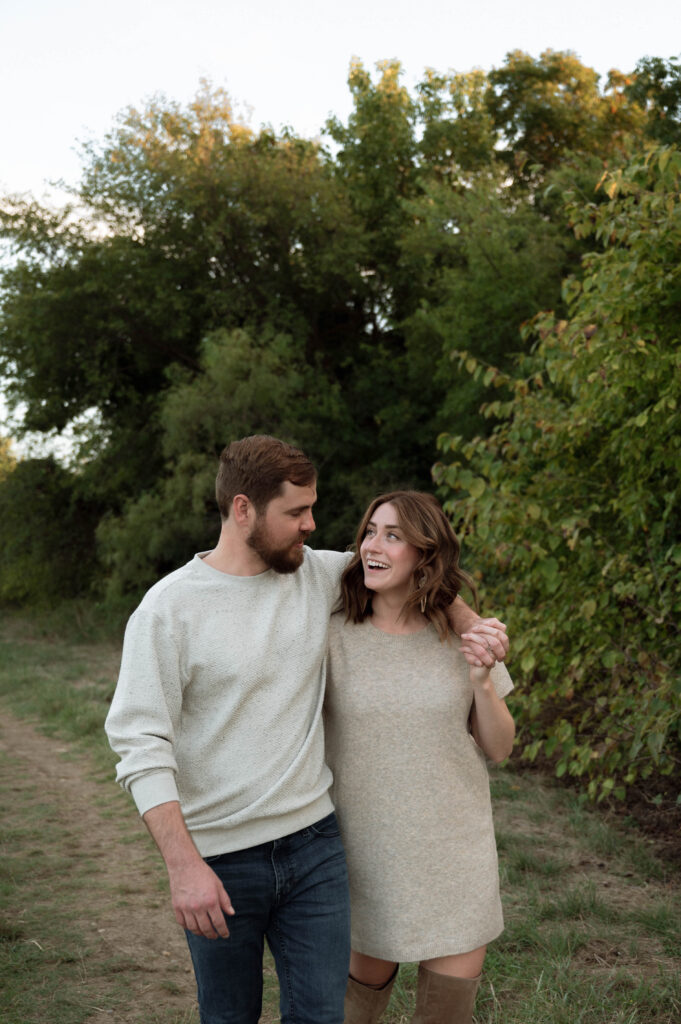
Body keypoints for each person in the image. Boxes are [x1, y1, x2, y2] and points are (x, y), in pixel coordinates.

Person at [105, 436, 509, 1024]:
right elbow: (140, 745)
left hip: (315, 845)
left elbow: (417, 572)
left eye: (311, 509)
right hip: (220, 855)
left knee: (323, 1017)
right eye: (296, 512)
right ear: (243, 510)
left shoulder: (315, 574)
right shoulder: (168, 609)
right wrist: (182, 864)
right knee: (229, 1015)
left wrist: (474, 628)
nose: (312, 525)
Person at [323, 491, 515, 1024]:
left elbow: (499, 747)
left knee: (446, 1016)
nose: (372, 545)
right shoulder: (332, 632)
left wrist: (481, 682)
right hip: (365, 853)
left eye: (393, 535)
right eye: (369, 531)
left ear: (425, 555)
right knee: (351, 1014)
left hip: (454, 853)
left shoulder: (462, 637)